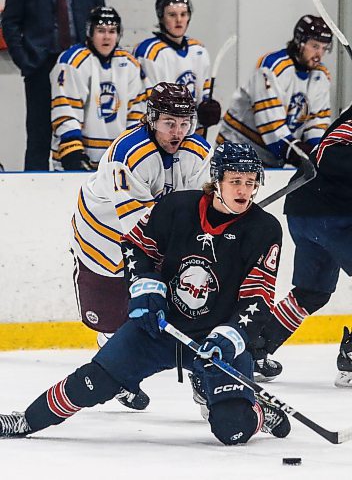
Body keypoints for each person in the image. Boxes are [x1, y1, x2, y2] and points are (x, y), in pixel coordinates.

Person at [0, 141, 291, 444]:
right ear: (216, 180)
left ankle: (257, 411)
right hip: (159, 328)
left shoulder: (265, 229)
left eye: (250, 183)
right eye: (235, 182)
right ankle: (26, 420)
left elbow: (258, 298)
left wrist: (229, 338)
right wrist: (145, 290)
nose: (244, 190)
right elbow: (137, 247)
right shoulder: (176, 207)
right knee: (92, 383)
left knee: (233, 429)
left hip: (214, 338)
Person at [70, 81, 212, 409]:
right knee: (111, 317)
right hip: (102, 237)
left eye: (184, 123)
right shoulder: (127, 154)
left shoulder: (199, 151)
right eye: (169, 123)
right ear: (151, 119)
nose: (178, 132)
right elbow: (137, 228)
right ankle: (114, 367)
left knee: (193, 291)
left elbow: (199, 207)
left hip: (157, 231)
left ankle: (203, 374)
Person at [252, 105, 352, 387]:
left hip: (306, 212)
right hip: (331, 216)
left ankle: (257, 348)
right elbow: (329, 153)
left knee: (312, 291)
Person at [1, 0, 105, 170]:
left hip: (82, 65)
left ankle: (82, 186)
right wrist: (25, 60)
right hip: (41, 66)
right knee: (39, 135)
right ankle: (32, 189)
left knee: (83, 130)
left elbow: (99, 18)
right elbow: (10, 22)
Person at [217, 15, 333, 167]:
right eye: (315, 46)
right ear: (300, 42)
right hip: (237, 149)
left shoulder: (321, 76)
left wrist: (317, 154)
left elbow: (317, 123)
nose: (319, 55)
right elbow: (270, 124)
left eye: (324, 48)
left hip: (272, 159)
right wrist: (294, 151)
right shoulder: (272, 67)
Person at [50, 6, 145, 171]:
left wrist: (130, 151)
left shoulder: (130, 65)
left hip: (116, 162)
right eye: (101, 30)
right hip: (77, 156)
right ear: (90, 32)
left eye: (112, 31)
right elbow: (66, 111)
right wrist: (73, 153)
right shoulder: (73, 61)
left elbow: (136, 115)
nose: (107, 37)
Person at [133, 0, 221, 134]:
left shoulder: (199, 50)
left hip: (192, 134)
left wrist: (208, 108)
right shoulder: (148, 52)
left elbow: (203, 94)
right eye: (172, 15)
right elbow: (148, 103)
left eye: (183, 14)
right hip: (162, 135)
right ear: (161, 17)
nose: (179, 20)